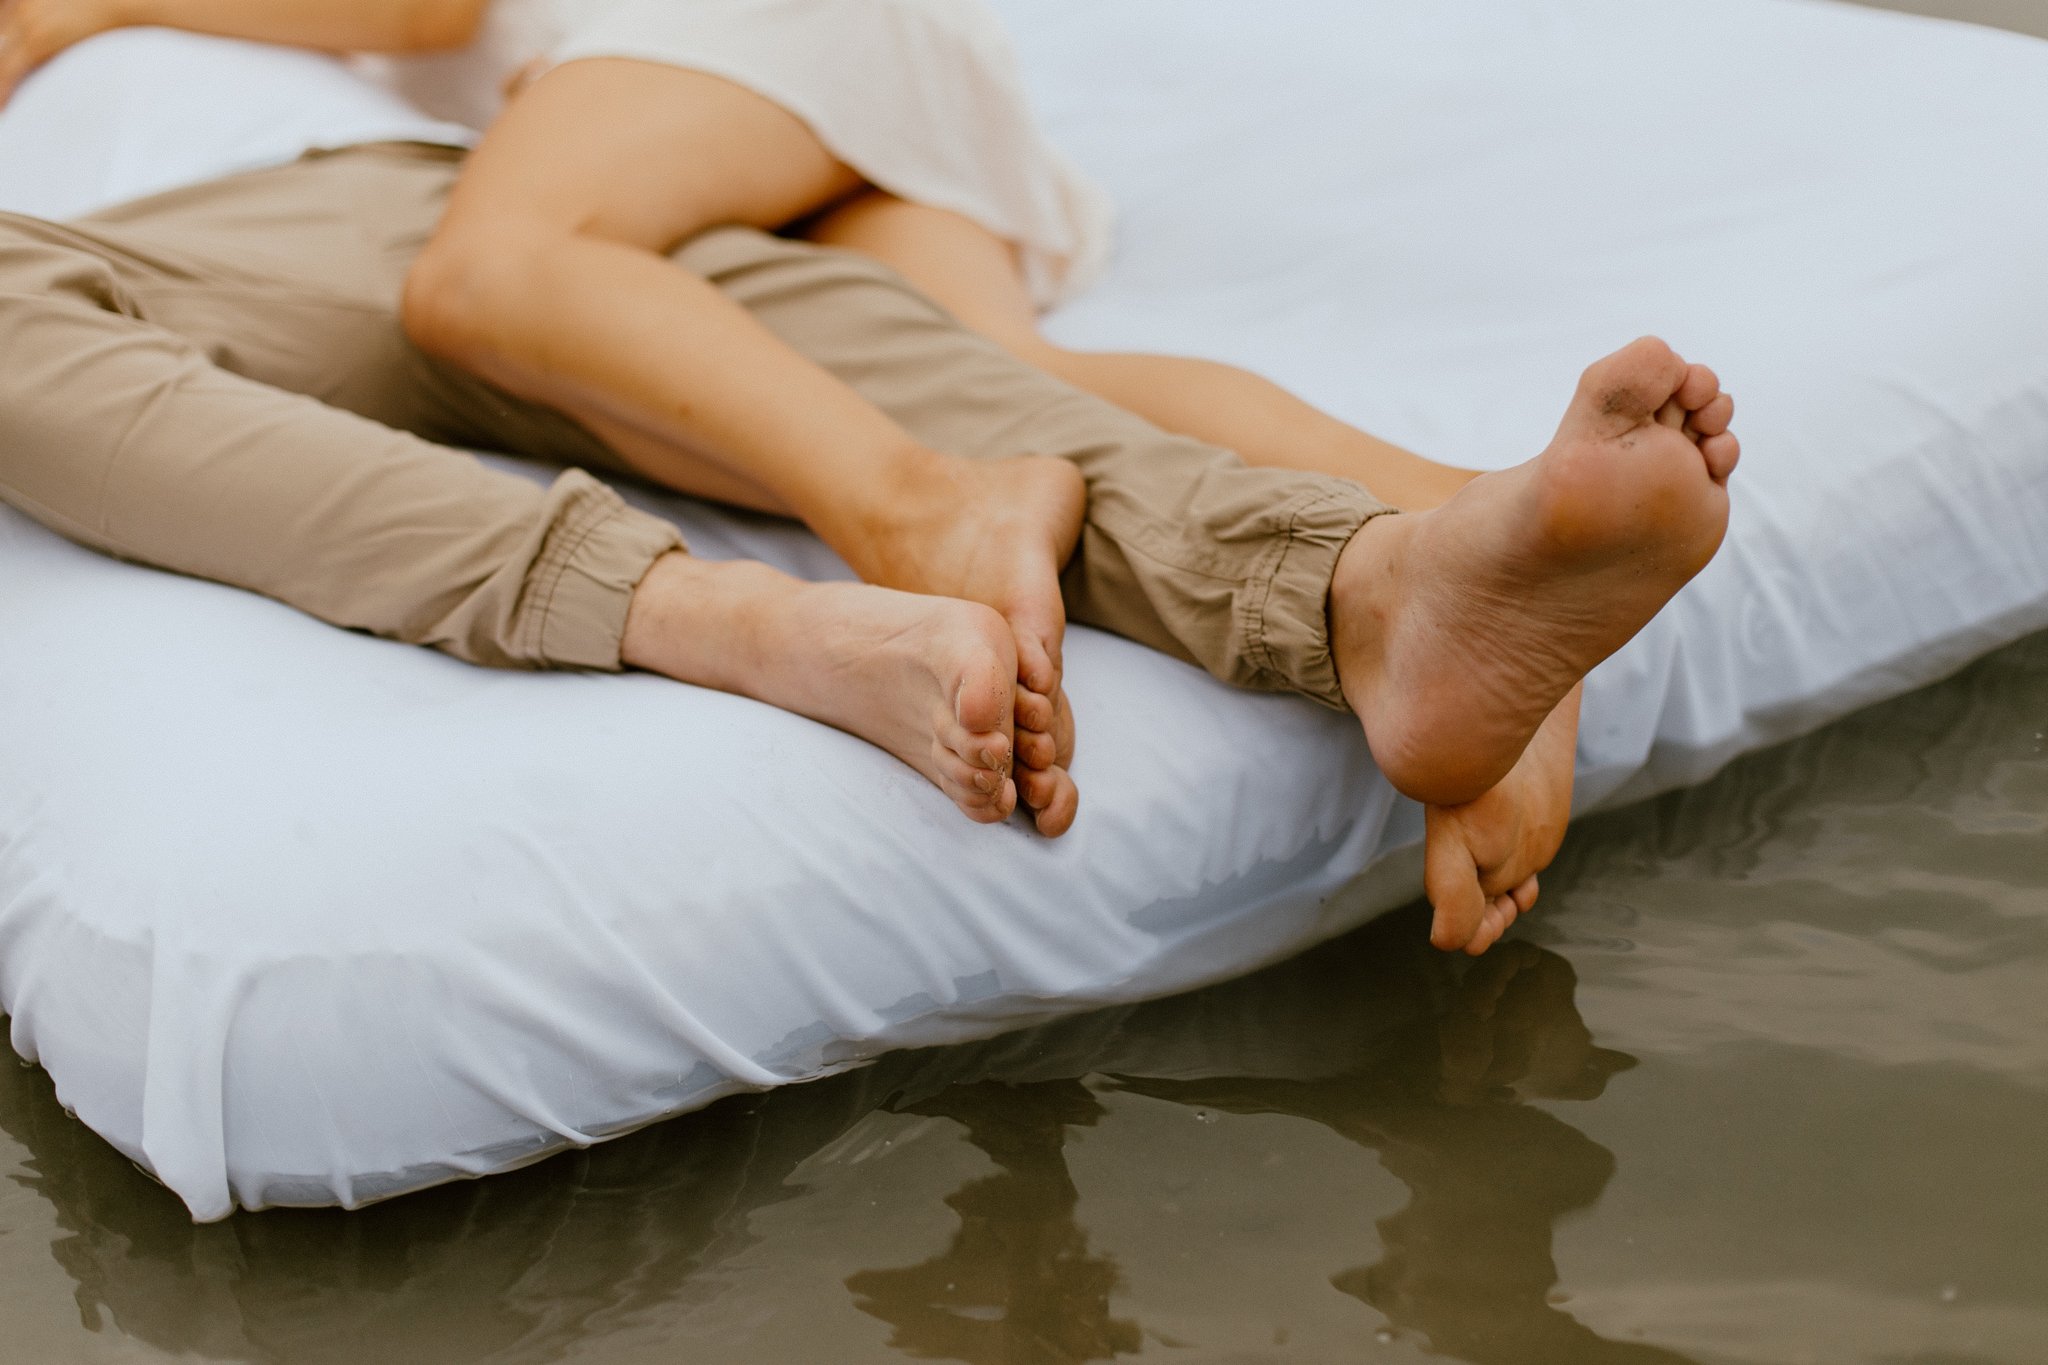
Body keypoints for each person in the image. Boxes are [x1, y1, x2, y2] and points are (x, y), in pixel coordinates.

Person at [0, 128, 1738, 955]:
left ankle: (755, 606)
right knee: (988, 386)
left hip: (585, 129)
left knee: (519, 286)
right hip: (524, 191)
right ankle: (1393, 593)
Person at [0, 0, 1489, 842]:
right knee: (1023, 388)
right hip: (789, 90)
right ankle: (1453, 551)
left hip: (717, 41)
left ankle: (912, 511)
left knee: (495, 268)